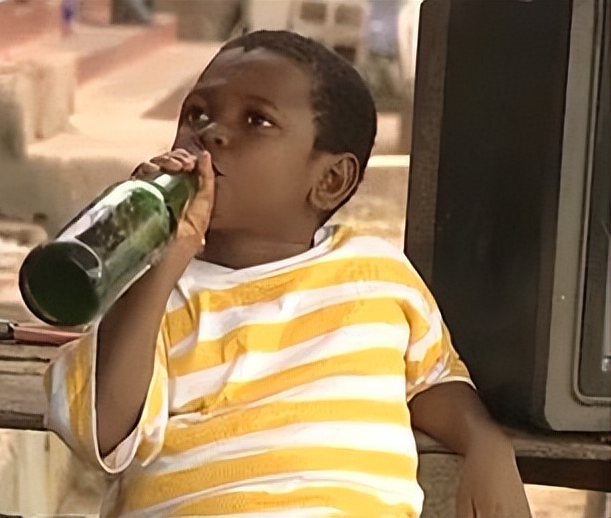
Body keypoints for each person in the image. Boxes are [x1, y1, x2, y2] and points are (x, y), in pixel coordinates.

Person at [44, 30, 532, 517]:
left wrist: (486, 444)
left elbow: (432, 378)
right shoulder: (156, 296)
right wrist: (163, 259)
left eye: (256, 120)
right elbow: (102, 431)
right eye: (197, 114)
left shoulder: (377, 274)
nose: (211, 133)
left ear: (330, 180)